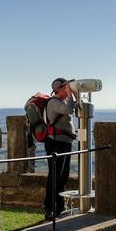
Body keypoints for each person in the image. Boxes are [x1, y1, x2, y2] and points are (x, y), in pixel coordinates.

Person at [44, 77, 77, 220]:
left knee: (63, 177)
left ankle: (60, 208)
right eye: (65, 87)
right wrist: (70, 93)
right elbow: (69, 109)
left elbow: (76, 107)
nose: (67, 89)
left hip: (65, 142)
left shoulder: (63, 101)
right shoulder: (53, 102)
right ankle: (50, 209)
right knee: (55, 177)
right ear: (58, 89)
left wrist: (74, 94)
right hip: (55, 143)